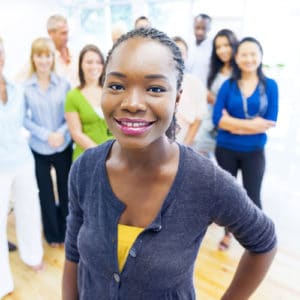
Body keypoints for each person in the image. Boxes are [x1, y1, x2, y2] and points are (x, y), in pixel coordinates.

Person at [62, 28, 277, 300]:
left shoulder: (205, 181)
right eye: (116, 85)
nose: (132, 103)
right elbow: (73, 252)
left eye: (155, 88)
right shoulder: (85, 168)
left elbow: (264, 242)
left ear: (177, 98)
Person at [213, 37, 279, 251]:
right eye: (244, 54)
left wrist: (232, 124)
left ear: (260, 56)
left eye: (253, 54)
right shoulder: (228, 85)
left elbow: (269, 122)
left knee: (253, 196)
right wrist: (251, 125)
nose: (249, 58)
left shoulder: (270, 85)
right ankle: (227, 234)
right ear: (237, 58)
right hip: (225, 149)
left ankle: (257, 240)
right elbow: (217, 119)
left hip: (254, 151)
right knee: (228, 196)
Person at [0, 37, 43, 299]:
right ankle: (2, 282)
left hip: (23, 161)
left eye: (0, 50)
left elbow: (26, 122)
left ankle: (32, 255)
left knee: (29, 210)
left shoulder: (16, 88)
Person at [24, 37, 72, 247]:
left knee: (65, 191)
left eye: (47, 55)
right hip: (39, 148)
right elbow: (24, 118)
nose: (43, 60)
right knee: (45, 193)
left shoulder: (64, 84)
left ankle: (67, 232)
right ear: (33, 58)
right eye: (39, 55)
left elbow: (71, 115)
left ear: (53, 58)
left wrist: (60, 133)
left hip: (63, 145)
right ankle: (52, 235)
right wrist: (46, 135)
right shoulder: (25, 87)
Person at [194, 29, 238, 158]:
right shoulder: (214, 68)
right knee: (201, 163)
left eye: (226, 45)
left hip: (229, 127)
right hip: (208, 125)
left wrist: (214, 99)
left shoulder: (240, 71)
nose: (222, 50)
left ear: (234, 45)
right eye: (218, 47)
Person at [65, 44, 113, 161]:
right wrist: (101, 154)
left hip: (114, 155)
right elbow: (76, 133)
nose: (94, 66)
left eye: (98, 62)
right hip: (87, 157)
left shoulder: (112, 91)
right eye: (89, 62)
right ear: (81, 65)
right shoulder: (72, 96)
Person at [15, 14, 77, 86]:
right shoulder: (41, 60)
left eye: (67, 32)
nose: (67, 37)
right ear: (50, 33)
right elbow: (17, 81)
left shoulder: (76, 55)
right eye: (63, 33)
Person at [172, 36, 207, 145]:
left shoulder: (195, 83)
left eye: (181, 52)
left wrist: (185, 146)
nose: (177, 56)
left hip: (185, 144)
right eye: (172, 52)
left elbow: (198, 118)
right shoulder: (156, 82)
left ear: (186, 56)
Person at [186, 13, 213, 85]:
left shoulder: (213, 47)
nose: (200, 32)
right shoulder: (187, 45)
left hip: (204, 90)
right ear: (193, 27)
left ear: (209, 28)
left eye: (204, 28)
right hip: (186, 87)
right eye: (197, 28)